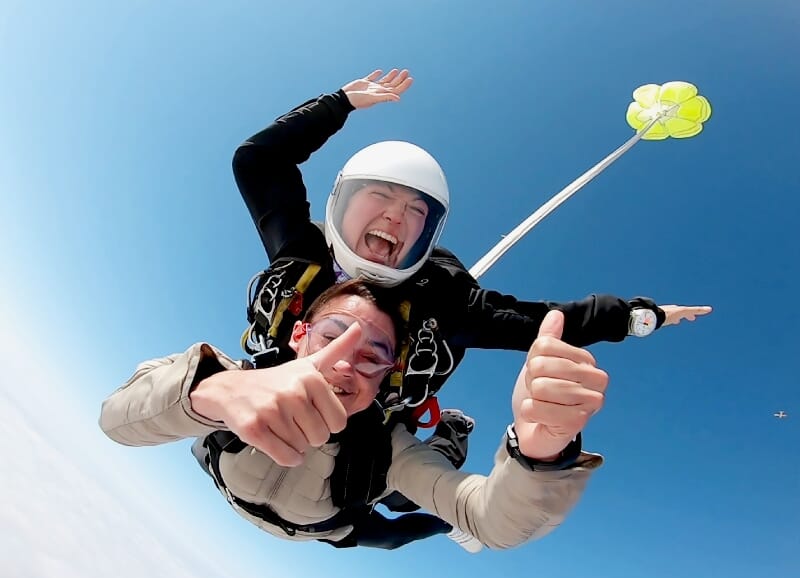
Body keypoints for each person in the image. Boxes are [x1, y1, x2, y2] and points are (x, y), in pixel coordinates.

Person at [229, 68, 711, 548]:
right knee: (385, 525)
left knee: (401, 510)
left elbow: (544, 324)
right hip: (277, 475)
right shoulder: (301, 257)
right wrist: (337, 104)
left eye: (416, 212)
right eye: (380, 194)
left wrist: (639, 316)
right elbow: (258, 160)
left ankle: (451, 437)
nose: (395, 215)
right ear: (341, 201)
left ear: (427, 236)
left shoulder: (445, 308)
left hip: (359, 455)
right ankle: (442, 469)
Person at [100, 279, 608, 550]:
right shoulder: (235, 384)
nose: (344, 362)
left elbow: (491, 521)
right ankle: (449, 436)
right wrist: (210, 392)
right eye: (333, 335)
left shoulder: (386, 449)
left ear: (386, 375)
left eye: (373, 355)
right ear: (298, 335)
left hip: (329, 526)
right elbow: (117, 419)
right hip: (241, 486)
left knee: (407, 528)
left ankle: (451, 435)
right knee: (394, 528)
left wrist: (541, 454)